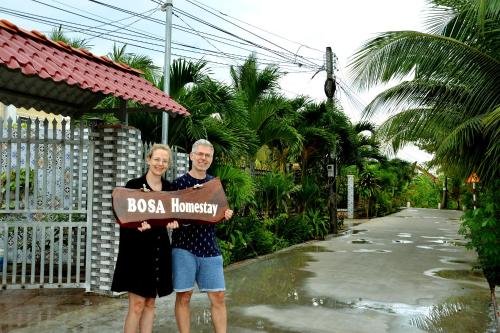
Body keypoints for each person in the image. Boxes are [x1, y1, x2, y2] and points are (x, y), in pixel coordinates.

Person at [111, 143, 179, 333]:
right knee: (137, 305)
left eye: (164, 161)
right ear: (148, 159)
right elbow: (122, 217)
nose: (160, 163)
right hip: (137, 252)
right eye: (157, 159)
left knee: (150, 303)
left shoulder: (170, 189)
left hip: (159, 250)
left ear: (168, 165)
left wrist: (173, 223)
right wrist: (136, 227)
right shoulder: (133, 186)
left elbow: (175, 216)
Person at [172, 139, 233, 333]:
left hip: (209, 246)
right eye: (200, 154)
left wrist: (226, 214)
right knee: (184, 296)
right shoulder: (178, 184)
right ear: (191, 156)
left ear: (211, 159)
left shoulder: (214, 184)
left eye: (207, 155)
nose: (203, 158)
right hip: (184, 247)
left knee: (219, 296)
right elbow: (169, 213)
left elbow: (219, 210)